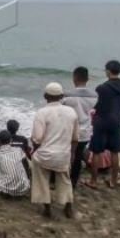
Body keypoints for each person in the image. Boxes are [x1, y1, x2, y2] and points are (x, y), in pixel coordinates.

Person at [30, 82, 78, 219]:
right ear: (62, 96)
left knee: (40, 175)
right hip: (64, 155)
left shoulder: (42, 113)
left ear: (45, 96)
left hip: (46, 155)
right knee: (65, 178)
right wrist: (72, 154)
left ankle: (47, 207)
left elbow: (37, 138)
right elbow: (75, 138)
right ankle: (68, 206)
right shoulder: (71, 112)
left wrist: (34, 149)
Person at [88, 60, 120, 188]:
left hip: (101, 121)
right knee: (114, 152)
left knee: (96, 151)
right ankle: (113, 181)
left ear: (107, 71)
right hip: (116, 120)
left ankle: (94, 181)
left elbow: (97, 105)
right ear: (119, 71)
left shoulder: (102, 88)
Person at [62, 66, 98, 188]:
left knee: (66, 155)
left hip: (70, 130)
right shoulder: (95, 96)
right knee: (77, 157)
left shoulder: (67, 96)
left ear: (74, 78)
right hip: (85, 131)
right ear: (87, 79)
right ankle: (73, 181)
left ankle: (63, 179)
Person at [0, 130, 30, 197]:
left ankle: (5, 186)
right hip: (24, 189)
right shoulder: (19, 150)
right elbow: (26, 165)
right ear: (11, 140)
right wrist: (27, 178)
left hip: (5, 190)